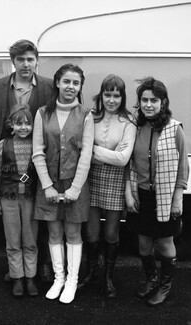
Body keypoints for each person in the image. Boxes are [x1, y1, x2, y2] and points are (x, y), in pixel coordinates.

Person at [0, 39, 54, 283]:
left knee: (37, 219)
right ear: (13, 62)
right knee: (13, 224)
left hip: (39, 164)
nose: (25, 64)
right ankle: (16, 271)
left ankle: (40, 266)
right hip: (10, 165)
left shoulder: (48, 86)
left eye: (30, 59)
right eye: (20, 59)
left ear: (36, 61)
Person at [32, 63, 94, 304]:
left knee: (73, 232)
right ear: (57, 83)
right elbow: (38, 152)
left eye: (76, 83)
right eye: (66, 81)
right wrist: (47, 185)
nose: (71, 86)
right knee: (54, 231)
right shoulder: (41, 113)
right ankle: (58, 278)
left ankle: (71, 281)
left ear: (80, 87)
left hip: (75, 184)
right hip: (48, 183)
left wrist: (75, 189)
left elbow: (86, 155)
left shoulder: (87, 115)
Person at [125, 77, 189, 306]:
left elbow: (183, 167)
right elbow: (128, 163)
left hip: (165, 196)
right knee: (143, 243)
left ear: (163, 102)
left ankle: (165, 286)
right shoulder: (134, 127)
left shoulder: (175, 128)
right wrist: (128, 194)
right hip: (140, 194)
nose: (148, 104)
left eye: (154, 100)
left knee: (164, 243)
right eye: (144, 99)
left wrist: (177, 199)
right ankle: (151, 279)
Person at [78, 74, 137, 298]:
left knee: (111, 234)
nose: (111, 100)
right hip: (90, 179)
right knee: (92, 232)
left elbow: (123, 159)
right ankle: (91, 274)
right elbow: (83, 151)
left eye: (116, 95)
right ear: (101, 95)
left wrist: (92, 150)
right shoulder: (90, 117)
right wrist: (111, 153)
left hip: (115, 180)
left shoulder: (128, 122)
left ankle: (108, 277)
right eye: (107, 94)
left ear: (122, 97)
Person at [0, 104, 38, 297]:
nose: (24, 127)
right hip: (8, 198)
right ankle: (17, 277)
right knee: (13, 240)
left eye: (28, 123)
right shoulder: (3, 144)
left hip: (30, 199)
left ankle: (30, 277)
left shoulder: (37, 145)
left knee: (30, 240)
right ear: (11, 125)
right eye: (19, 124)